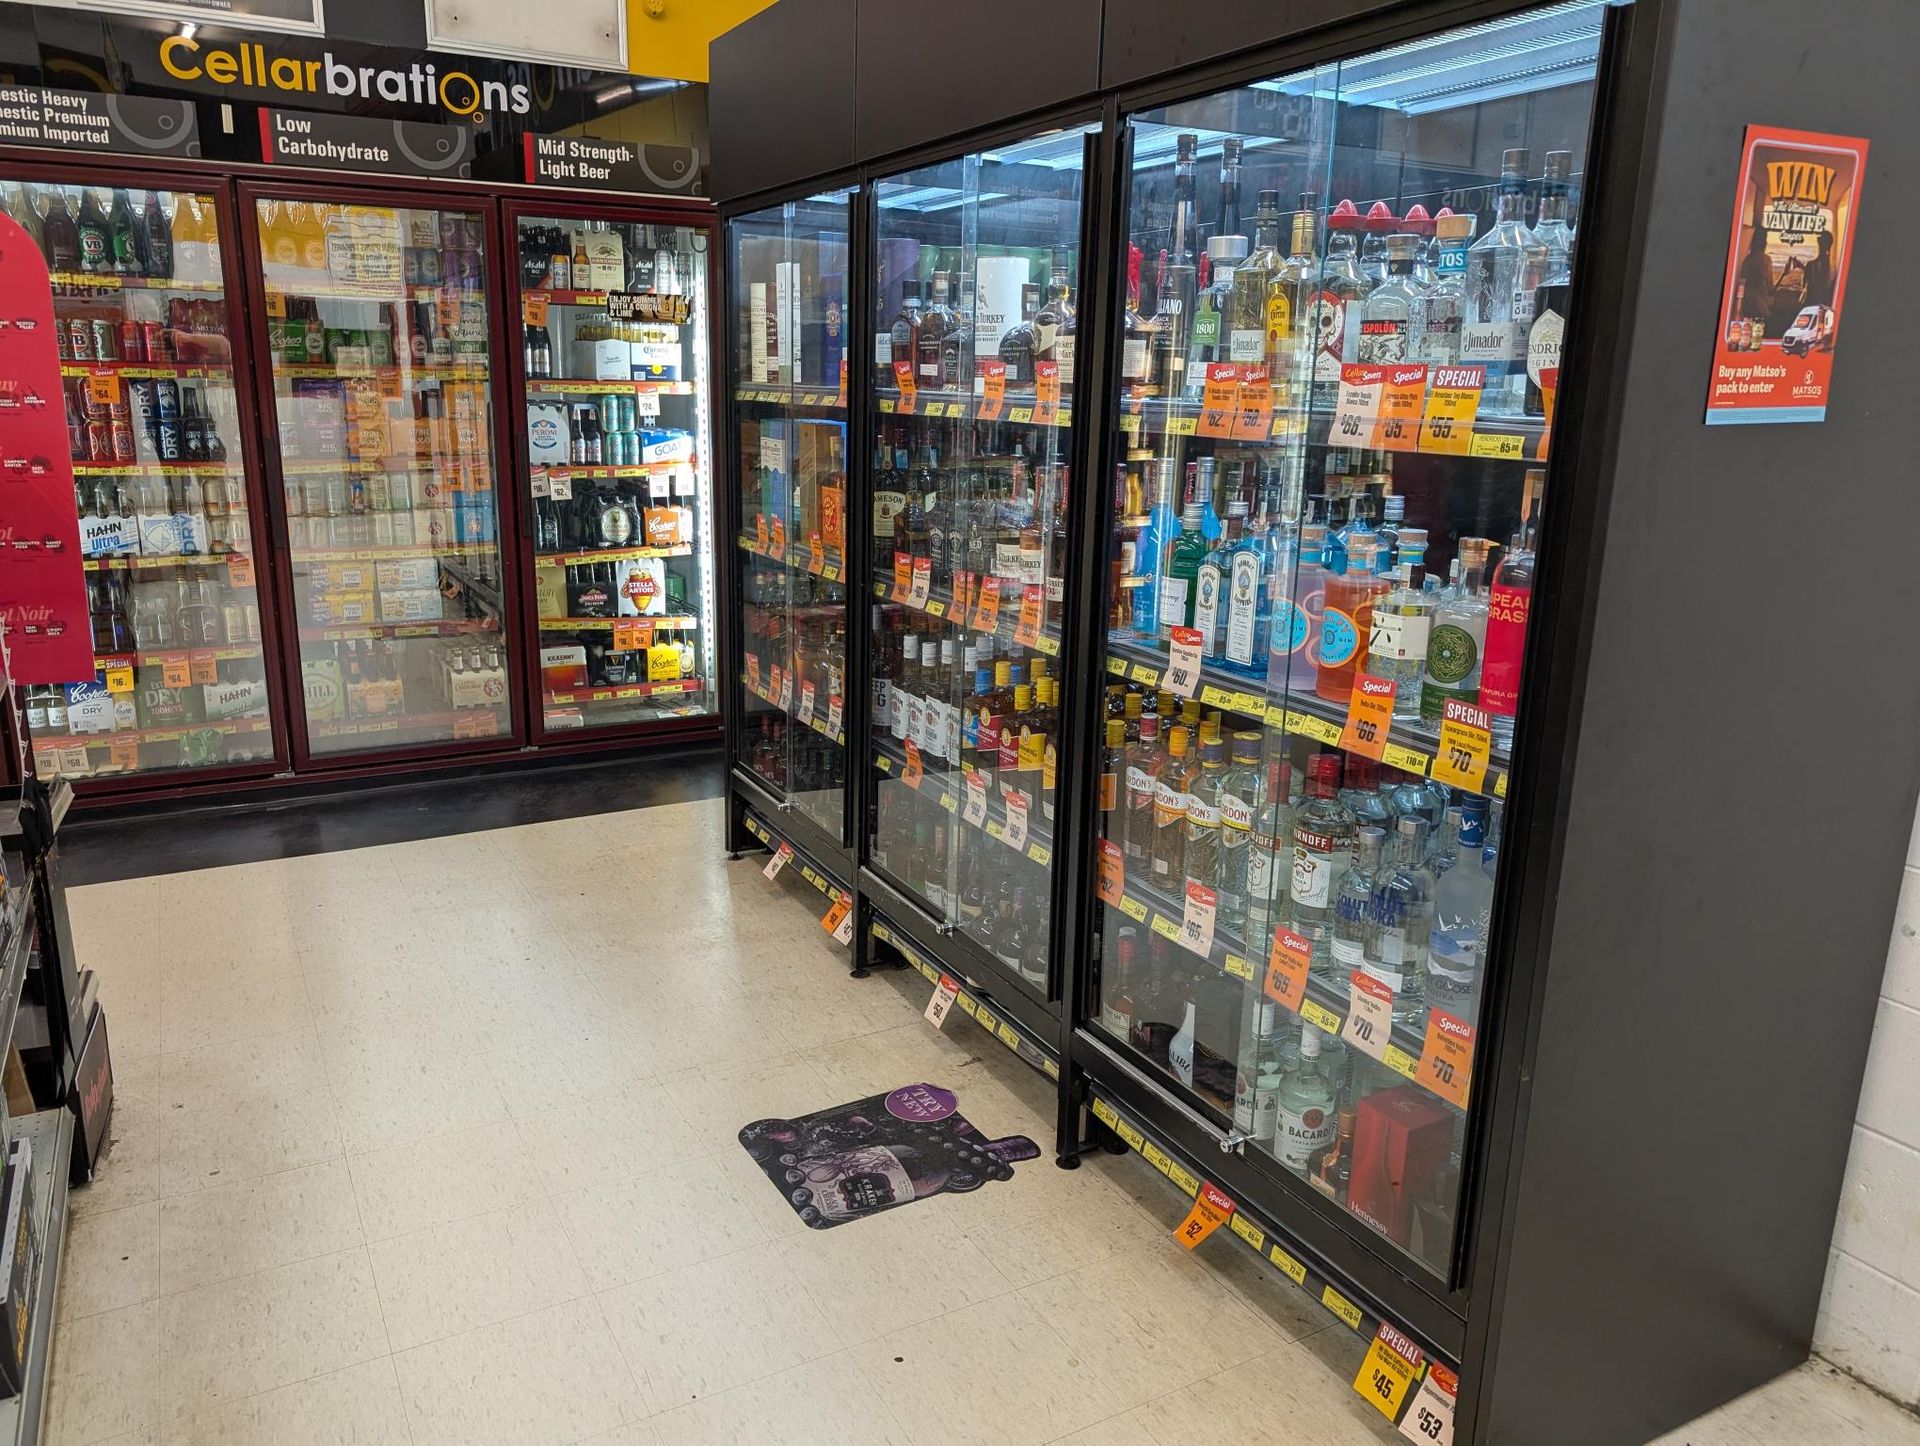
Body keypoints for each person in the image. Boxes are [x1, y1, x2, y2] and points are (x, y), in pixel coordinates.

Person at [1737, 225, 1775, 324]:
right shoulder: (1765, 260)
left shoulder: (1747, 260)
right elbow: (1771, 290)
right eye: (1765, 239)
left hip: (1747, 307)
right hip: (1761, 309)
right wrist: (1784, 274)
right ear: (1763, 242)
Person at [1801, 228, 1836, 308]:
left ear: (1819, 243)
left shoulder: (1811, 265)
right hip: (1825, 305)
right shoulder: (1833, 266)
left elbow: (1803, 285)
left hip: (1810, 305)